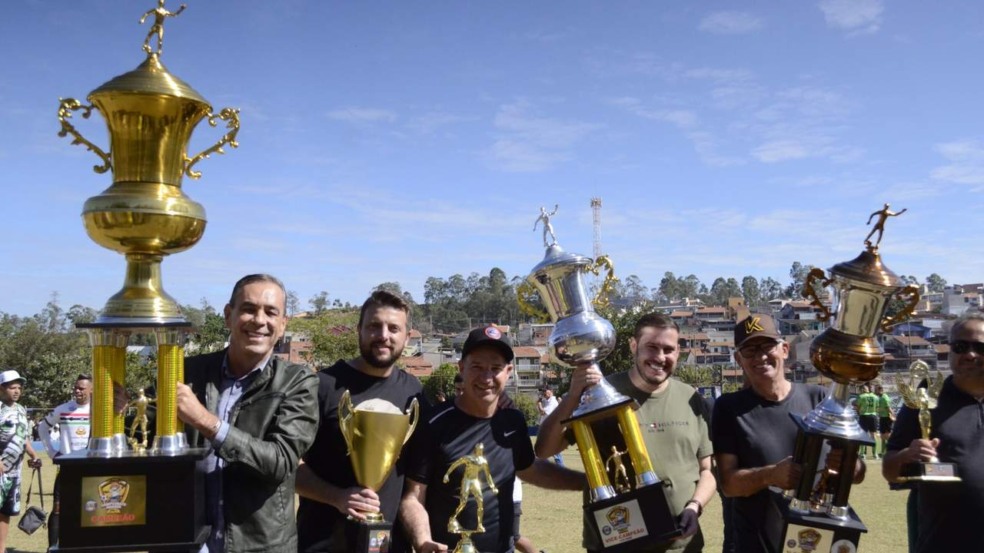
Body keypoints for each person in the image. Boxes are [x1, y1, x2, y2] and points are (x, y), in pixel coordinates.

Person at [536, 313, 716, 553]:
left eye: (668, 349)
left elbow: (707, 470)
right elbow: (545, 450)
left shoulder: (691, 399)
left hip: (681, 545)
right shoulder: (599, 393)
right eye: (651, 347)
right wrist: (573, 396)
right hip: (616, 543)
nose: (660, 357)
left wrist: (695, 506)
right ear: (634, 346)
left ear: (678, 352)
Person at [398, 326, 585, 553]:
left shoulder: (513, 422)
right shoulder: (433, 424)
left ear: (508, 372)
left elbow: (530, 470)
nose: (486, 378)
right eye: (477, 367)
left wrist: (587, 482)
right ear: (462, 368)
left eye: (495, 368)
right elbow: (413, 497)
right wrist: (423, 541)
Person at [176, 273, 318, 553]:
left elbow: (280, 461)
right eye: (249, 309)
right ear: (228, 316)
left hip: (260, 546)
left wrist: (205, 421)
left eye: (271, 312)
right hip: (185, 540)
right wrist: (118, 413)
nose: (259, 320)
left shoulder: (297, 382)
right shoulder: (186, 372)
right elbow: (143, 440)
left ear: (282, 325)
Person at [712, 314, 864, 553]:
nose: (760, 356)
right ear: (738, 359)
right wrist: (770, 475)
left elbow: (857, 472)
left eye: (767, 346)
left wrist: (850, 466)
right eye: (749, 350)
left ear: (784, 349)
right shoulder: (729, 408)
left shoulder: (820, 398)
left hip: (815, 539)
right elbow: (728, 485)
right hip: (756, 544)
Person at [295, 290, 424, 552]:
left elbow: (416, 481)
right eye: (374, 326)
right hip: (322, 545)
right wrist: (337, 497)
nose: (383, 335)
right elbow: (288, 465)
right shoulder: (322, 386)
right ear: (359, 330)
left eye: (393, 328)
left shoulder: (414, 393)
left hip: (389, 546)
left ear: (407, 337)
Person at [883, 311, 984, 553]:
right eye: (960, 347)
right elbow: (889, 470)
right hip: (943, 544)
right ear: (950, 351)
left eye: (980, 347)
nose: (970, 355)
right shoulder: (925, 397)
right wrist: (907, 455)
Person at [38, 373, 92, 549]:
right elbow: (42, 428)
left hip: (90, 469)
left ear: (91, 390)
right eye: (76, 387)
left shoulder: (98, 411)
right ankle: (52, 547)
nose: (77, 391)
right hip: (67, 468)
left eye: (81, 388)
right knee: (58, 509)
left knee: (89, 510)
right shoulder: (63, 409)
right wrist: (52, 452)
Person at [0, 370, 39, 553]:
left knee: (5, 512)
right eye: (12, 387)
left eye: (19, 388)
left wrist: (33, 455)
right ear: (2, 388)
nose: (16, 391)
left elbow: (23, 437)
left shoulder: (21, 409)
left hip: (15, 472)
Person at [536, 388, 563, 466]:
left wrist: (539, 404)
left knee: (555, 452)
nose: (545, 393)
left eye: (547, 392)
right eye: (544, 392)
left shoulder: (552, 401)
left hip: (550, 428)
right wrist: (539, 403)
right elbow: (541, 412)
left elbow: (543, 412)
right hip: (546, 428)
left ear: (551, 392)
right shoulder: (547, 401)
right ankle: (547, 467)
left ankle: (560, 468)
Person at [856, 384, 879, 459]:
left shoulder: (861, 396)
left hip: (864, 416)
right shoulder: (875, 397)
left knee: (863, 435)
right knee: (873, 435)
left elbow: (858, 407)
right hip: (873, 416)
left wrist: (859, 413)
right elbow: (877, 408)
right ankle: (875, 454)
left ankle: (863, 454)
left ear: (863, 389)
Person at [874, 383, 895, 458]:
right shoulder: (880, 397)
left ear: (880, 390)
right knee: (882, 435)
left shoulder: (884, 398)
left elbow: (888, 408)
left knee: (887, 435)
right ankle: (883, 452)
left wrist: (893, 416)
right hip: (882, 418)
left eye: (876, 390)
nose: (875, 391)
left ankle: (890, 450)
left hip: (886, 418)